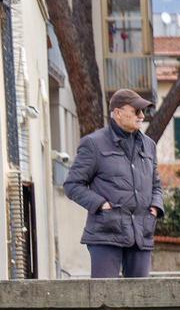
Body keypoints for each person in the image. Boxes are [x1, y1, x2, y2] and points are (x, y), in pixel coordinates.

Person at [63, 88, 164, 277]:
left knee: (141, 299)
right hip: (106, 234)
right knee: (105, 299)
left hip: (142, 233)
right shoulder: (93, 144)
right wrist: (101, 204)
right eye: (136, 111)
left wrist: (156, 207)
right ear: (118, 113)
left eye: (143, 111)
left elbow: (156, 184)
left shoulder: (149, 145)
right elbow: (72, 185)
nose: (142, 116)